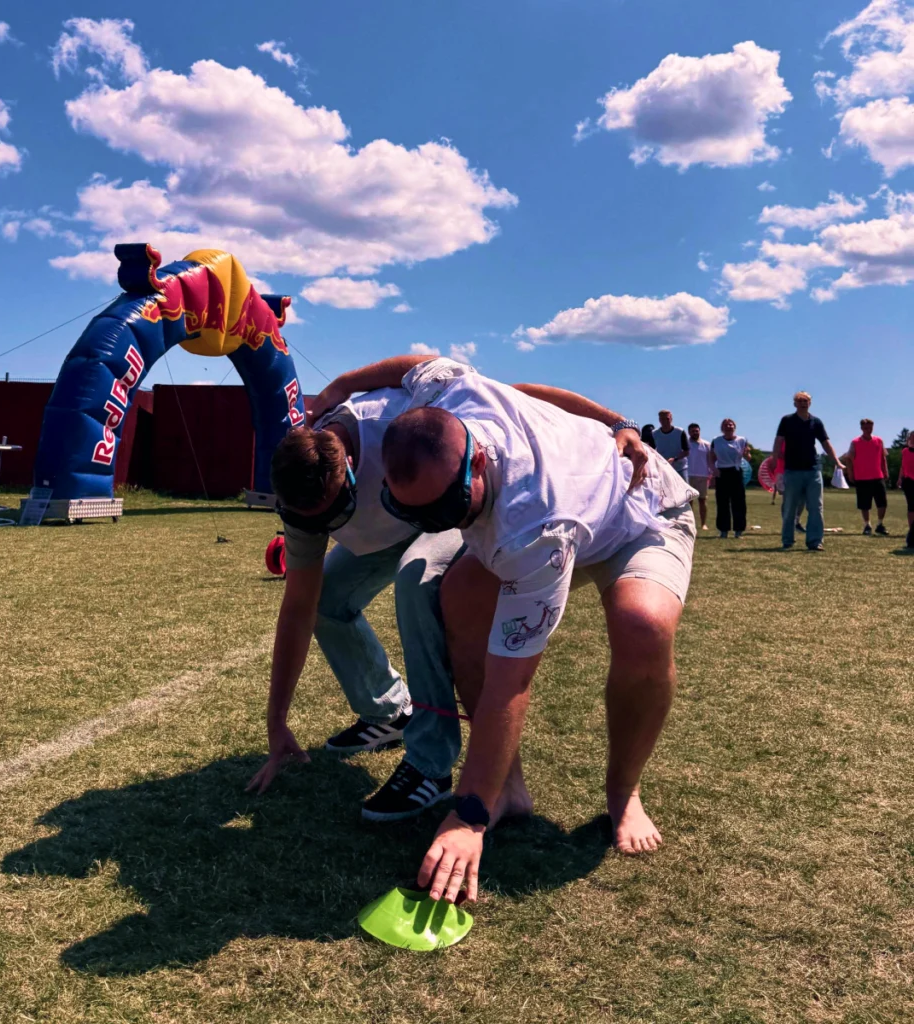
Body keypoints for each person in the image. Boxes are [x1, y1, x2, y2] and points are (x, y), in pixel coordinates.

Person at [248, 355, 651, 824]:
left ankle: (430, 762)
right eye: (312, 523)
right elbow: (298, 607)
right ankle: (387, 712)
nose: (324, 530)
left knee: (416, 577)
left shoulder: (406, 418)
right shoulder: (307, 490)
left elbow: (511, 393)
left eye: (335, 516)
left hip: (447, 506)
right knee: (326, 602)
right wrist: (276, 719)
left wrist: (616, 422)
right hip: (391, 518)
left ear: (355, 468)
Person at [360, 356, 695, 902]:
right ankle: (507, 789)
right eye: (417, 513)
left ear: (479, 460)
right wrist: (329, 398)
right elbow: (424, 367)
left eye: (449, 506)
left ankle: (623, 791)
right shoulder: (453, 393)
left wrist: (467, 815)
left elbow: (510, 683)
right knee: (459, 599)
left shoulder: (535, 526)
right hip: (577, 512)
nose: (440, 523)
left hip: (641, 513)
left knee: (643, 625)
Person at [773, 392, 845, 551]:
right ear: (794, 404)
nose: (803, 403)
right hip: (792, 470)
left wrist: (837, 461)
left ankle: (815, 541)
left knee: (816, 507)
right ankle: (787, 540)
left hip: (813, 470)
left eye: (805, 401)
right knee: (789, 506)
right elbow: (778, 441)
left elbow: (826, 443)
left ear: (810, 403)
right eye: (799, 401)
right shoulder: (787, 421)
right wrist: (773, 459)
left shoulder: (816, 422)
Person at [844, 419, 889, 536]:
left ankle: (880, 524)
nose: (868, 430)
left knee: (882, 502)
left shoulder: (879, 441)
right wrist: (850, 473)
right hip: (862, 477)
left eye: (870, 427)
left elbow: (883, 457)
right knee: (864, 504)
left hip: (878, 476)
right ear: (861, 428)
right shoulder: (855, 442)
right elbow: (849, 458)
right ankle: (867, 525)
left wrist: (885, 471)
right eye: (865, 428)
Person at [710, 418, 751, 538]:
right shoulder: (716, 441)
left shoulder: (742, 440)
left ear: (734, 427)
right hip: (722, 472)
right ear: (722, 428)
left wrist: (747, 453)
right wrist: (714, 469)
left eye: (731, 424)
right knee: (722, 502)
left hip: (736, 471)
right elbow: (711, 457)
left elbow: (748, 458)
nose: (729, 426)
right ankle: (723, 530)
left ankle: (738, 530)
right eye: (726, 425)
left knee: (738, 502)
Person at [653, 409, 690, 482]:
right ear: (659, 420)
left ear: (671, 419)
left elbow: (686, 451)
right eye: (662, 419)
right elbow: (651, 450)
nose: (665, 421)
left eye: (667, 419)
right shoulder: (655, 434)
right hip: (663, 469)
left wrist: (675, 459)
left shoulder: (680, 432)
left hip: (680, 468)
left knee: (684, 492)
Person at [686, 423, 711, 530]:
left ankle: (703, 524)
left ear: (699, 431)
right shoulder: (685, 443)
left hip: (703, 475)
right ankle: (690, 524)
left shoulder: (706, 444)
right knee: (688, 501)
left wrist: (711, 474)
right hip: (688, 475)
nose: (695, 433)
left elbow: (710, 460)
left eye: (696, 431)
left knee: (702, 500)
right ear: (689, 432)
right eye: (692, 431)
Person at [898, 432, 914, 548]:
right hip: (908, 482)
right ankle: (912, 532)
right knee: (911, 507)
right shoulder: (905, 451)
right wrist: (900, 478)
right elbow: (903, 466)